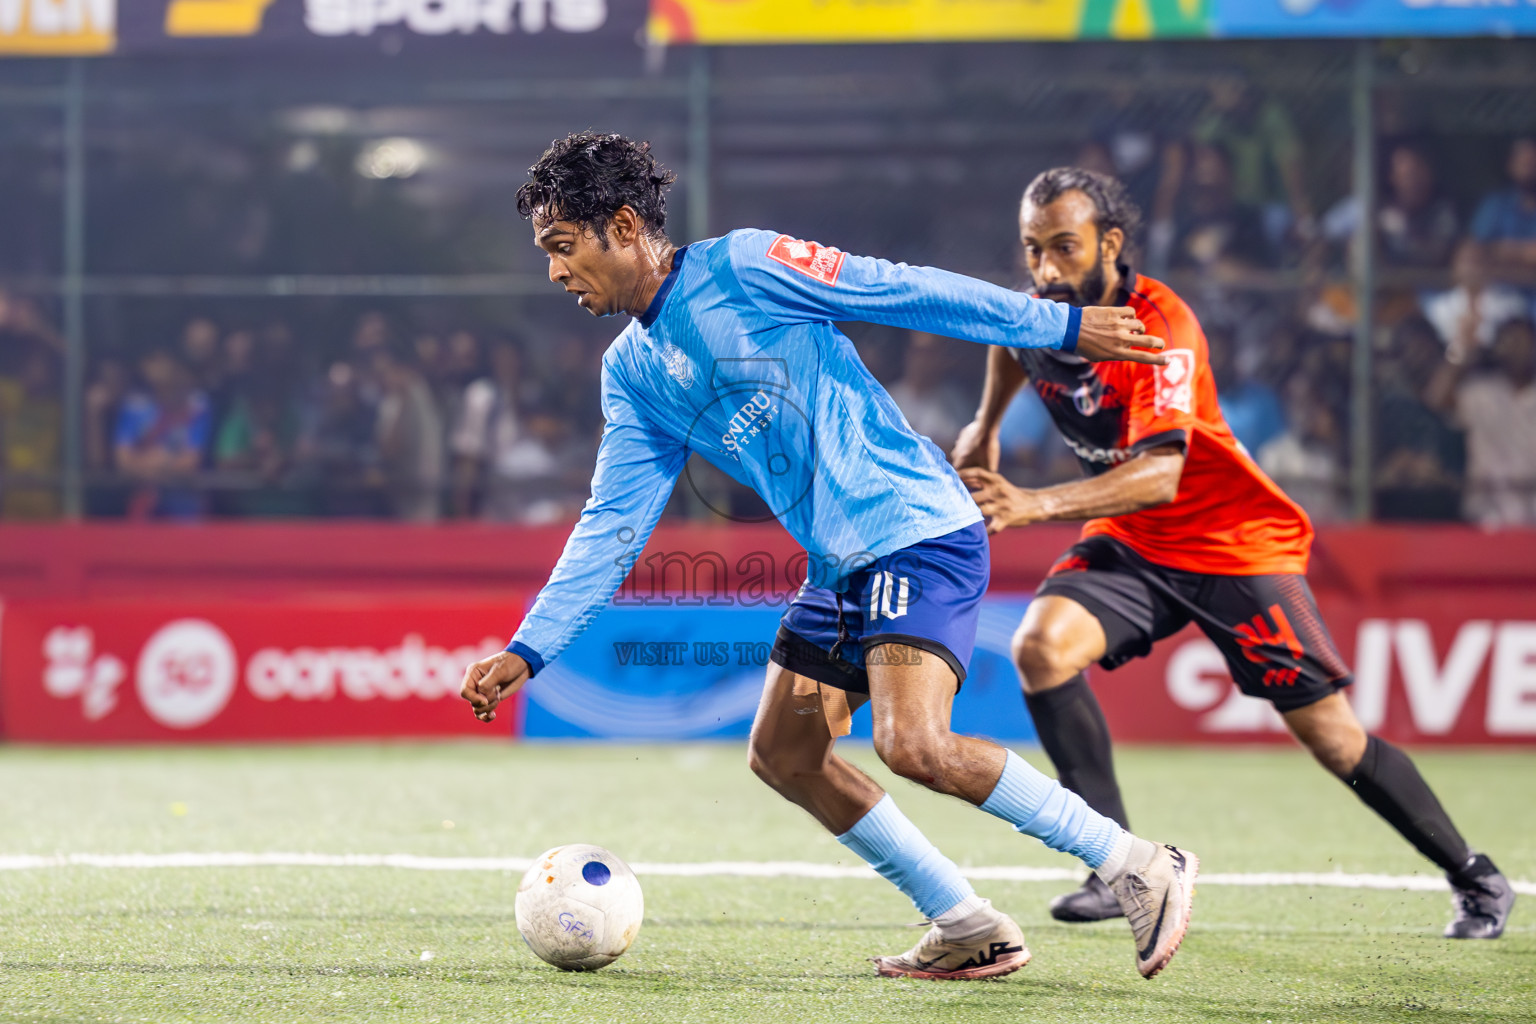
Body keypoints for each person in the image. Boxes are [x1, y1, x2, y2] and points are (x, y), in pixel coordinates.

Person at [459, 131, 1197, 982]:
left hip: (915, 529)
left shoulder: (745, 266)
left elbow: (904, 290)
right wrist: (531, 646)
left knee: (914, 743)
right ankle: (967, 926)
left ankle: (1137, 863)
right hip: (841, 569)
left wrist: (1058, 324)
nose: (555, 272)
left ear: (623, 226)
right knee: (785, 751)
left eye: (562, 246)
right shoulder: (631, 372)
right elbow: (613, 521)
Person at [951, 167, 1514, 941]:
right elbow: (1008, 350)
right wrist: (983, 428)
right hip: (1134, 540)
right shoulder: (1037, 318)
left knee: (1333, 739)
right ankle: (1118, 867)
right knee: (1041, 649)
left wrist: (1033, 504)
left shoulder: (1160, 325)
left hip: (1232, 544)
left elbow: (1160, 475)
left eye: (1064, 247)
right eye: (1032, 248)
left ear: (1110, 244)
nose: (1045, 269)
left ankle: (1476, 876)